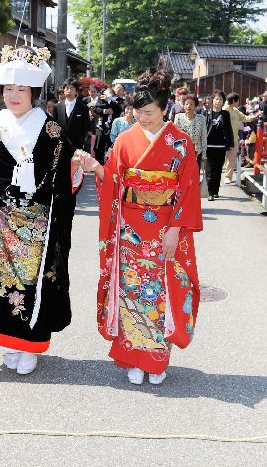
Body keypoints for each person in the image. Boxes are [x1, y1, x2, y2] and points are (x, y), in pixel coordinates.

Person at [0, 45, 83, 376]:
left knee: (29, 283)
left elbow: (64, 171)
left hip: (34, 222)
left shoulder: (50, 129)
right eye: (8, 89)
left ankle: (28, 344)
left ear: (33, 92)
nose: (13, 95)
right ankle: (7, 343)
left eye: (20, 89)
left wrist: (76, 166)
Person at [76, 67, 202, 386]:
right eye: (138, 112)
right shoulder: (125, 139)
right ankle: (133, 356)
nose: (142, 118)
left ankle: (157, 359)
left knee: (159, 292)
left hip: (163, 227)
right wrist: (96, 169)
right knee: (132, 289)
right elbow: (114, 179)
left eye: (149, 112)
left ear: (164, 109)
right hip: (130, 230)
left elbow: (187, 188)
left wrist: (175, 228)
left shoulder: (180, 142)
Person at [205, 90, 234, 201]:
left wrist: (230, 144)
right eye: (216, 99)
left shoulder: (225, 114)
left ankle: (215, 191)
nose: (218, 101)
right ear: (212, 100)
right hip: (209, 145)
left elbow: (228, 129)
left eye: (221, 99)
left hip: (221, 145)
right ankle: (210, 192)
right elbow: (204, 129)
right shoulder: (206, 113)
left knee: (218, 170)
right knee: (209, 170)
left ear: (223, 102)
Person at [222, 92, 257, 183]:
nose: (239, 102)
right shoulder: (223, 110)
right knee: (222, 158)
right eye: (237, 100)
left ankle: (228, 177)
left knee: (231, 158)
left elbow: (245, 118)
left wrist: (254, 117)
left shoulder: (236, 110)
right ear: (234, 100)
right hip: (222, 138)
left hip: (233, 138)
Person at [55, 77, 91, 153]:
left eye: (72, 88)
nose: (69, 90)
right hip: (60, 145)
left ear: (76, 91)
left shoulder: (83, 108)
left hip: (77, 146)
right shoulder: (57, 107)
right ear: (63, 90)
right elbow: (55, 126)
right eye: (67, 88)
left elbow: (84, 128)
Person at [173, 93, 207, 166]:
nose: (189, 106)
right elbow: (175, 136)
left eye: (191, 104)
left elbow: (203, 137)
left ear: (195, 106)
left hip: (197, 153)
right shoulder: (178, 117)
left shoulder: (201, 119)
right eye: (187, 104)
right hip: (181, 152)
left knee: (194, 175)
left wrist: (204, 155)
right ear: (184, 106)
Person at [94, 88, 120, 165]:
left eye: (111, 93)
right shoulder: (100, 99)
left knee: (111, 148)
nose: (109, 94)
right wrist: (105, 111)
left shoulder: (117, 101)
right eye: (107, 93)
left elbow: (118, 109)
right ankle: (100, 165)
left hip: (112, 129)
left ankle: (109, 165)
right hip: (101, 127)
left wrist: (109, 100)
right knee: (98, 148)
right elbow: (96, 109)